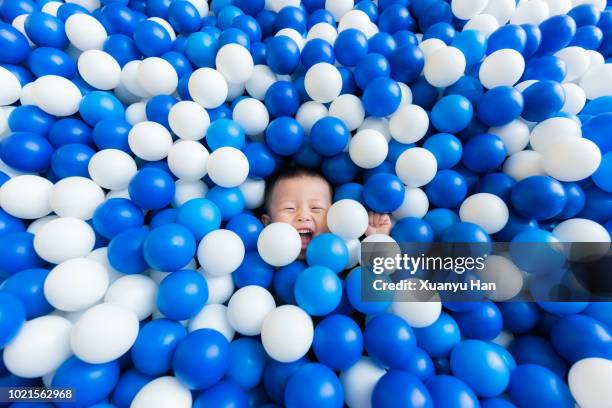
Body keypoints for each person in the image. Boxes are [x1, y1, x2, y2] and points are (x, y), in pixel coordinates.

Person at [261, 165, 392, 252]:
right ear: (268, 223)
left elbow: (379, 284)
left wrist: (377, 239)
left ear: (333, 218)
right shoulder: (262, 262)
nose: (303, 216)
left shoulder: (348, 253)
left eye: (316, 208)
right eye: (289, 208)